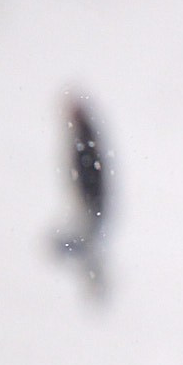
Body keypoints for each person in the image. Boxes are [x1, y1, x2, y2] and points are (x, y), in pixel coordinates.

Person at [51, 95, 112, 300]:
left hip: (91, 201)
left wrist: (90, 197)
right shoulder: (85, 135)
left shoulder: (85, 138)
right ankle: (94, 283)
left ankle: (96, 285)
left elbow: (91, 172)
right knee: (88, 243)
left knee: (87, 243)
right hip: (89, 200)